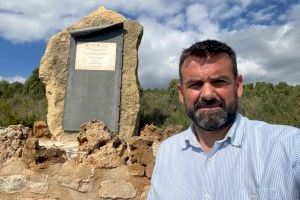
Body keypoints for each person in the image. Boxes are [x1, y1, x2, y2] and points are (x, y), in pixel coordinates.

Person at [147, 40, 300, 200]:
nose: (207, 95)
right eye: (196, 84)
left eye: (219, 82)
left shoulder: (290, 147)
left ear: (238, 86)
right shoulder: (167, 152)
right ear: (181, 93)